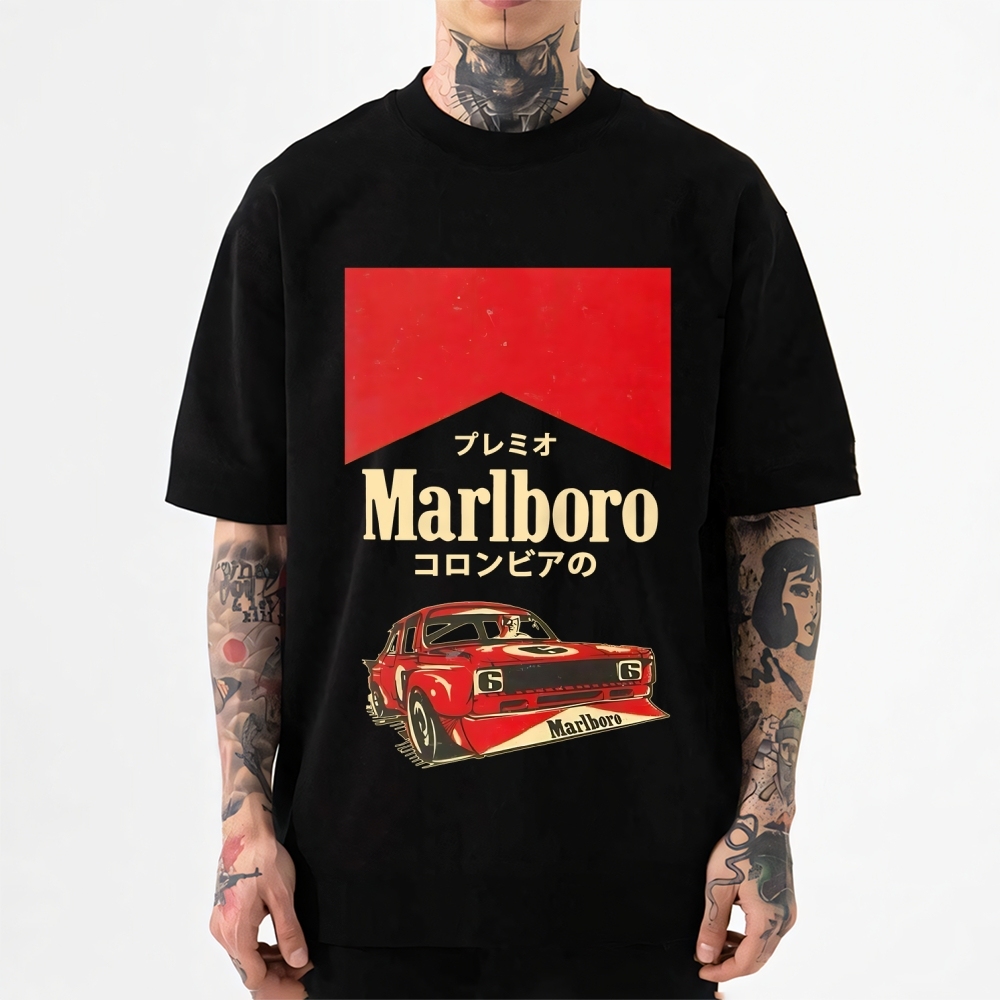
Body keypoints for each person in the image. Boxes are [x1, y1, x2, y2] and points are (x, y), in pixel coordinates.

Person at [165, 1, 860, 997]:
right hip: (354, 897)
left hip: (650, 895)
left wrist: (767, 814)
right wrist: (245, 826)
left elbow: (772, 529)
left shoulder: (711, 200)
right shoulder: (301, 204)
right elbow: (252, 543)